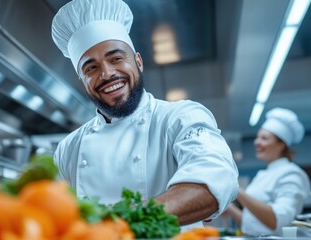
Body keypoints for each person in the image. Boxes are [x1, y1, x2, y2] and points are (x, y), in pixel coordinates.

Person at [51, 0, 239, 228]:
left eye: (116, 58)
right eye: (91, 68)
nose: (107, 73)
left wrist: (121, 222)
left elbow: (213, 182)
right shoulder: (69, 148)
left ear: (138, 62)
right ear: (82, 81)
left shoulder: (179, 117)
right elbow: (58, 217)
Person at [226, 108, 310, 236]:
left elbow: (278, 222)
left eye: (264, 138)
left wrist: (236, 189)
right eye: (257, 137)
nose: (256, 142)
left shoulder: (292, 174)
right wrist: (225, 205)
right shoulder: (262, 175)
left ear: (282, 144)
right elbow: (249, 224)